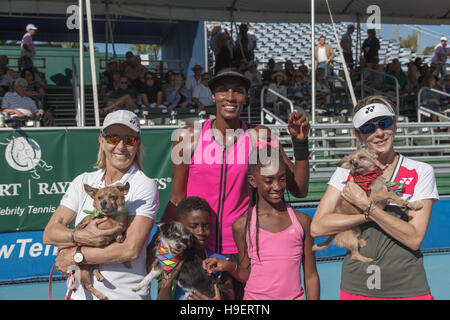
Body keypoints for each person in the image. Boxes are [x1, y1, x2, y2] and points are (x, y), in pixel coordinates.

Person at [161, 68, 310, 299]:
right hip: (195, 249)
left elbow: (298, 190)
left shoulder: (260, 136)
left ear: (245, 97)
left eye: (238, 91)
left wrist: (300, 144)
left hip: (242, 250)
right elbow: (177, 198)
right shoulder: (187, 137)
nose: (230, 97)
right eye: (222, 90)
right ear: (212, 96)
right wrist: (158, 243)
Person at [310, 95, 439, 300]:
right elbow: (318, 227)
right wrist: (367, 214)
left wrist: (367, 205)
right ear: (358, 135)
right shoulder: (346, 173)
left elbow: (414, 238)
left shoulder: (420, 171)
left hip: (408, 286)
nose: (379, 133)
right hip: (358, 286)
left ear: (394, 124)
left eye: (384, 123)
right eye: (368, 128)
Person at [43, 110, 159, 300]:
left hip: (124, 295)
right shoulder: (83, 181)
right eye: (114, 138)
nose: (121, 146)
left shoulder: (143, 185)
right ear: (102, 141)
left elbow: (130, 249)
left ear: (137, 144)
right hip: (78, 295)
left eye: (129, 140)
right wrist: (81, 236)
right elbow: (49, 234)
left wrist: (76, 256)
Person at [202, 146, 320, 300]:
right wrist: (229, 266)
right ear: (253, 181)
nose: (277, 186)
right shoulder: (241, 225)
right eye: (269, 180)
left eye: (282, 179)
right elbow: (247, 274)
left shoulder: (302, 221)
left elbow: (311, 275)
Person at [157, 196, 234, 300]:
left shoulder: (220, 263)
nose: (201, 232)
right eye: (194, 226)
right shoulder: (170, 259)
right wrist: (169, 279)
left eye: (206, 225)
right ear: (180, 227)